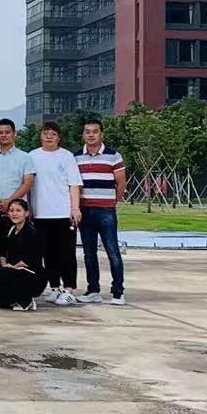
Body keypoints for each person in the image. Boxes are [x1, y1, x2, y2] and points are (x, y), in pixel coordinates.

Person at [29, 121, 83, 307]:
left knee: (66, 253)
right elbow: (29, 185)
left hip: (63, 213)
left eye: (53, 134)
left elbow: (74, 184)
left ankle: (69, 289)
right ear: (41, 136)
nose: (49, 137)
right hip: (41, 213)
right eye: (46, 133)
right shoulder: (32, 156)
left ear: (59, 137)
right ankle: (54, 287)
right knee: (47, 253)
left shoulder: (66, 156)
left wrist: (75, 208)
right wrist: (30, 208)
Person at [75, 117, 127, 306]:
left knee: (112, 251)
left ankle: (118, 292)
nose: (91, 135)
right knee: (89, 253)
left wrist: (112, 202)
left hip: (106, 210)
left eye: (95, 131)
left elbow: (121, 184)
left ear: (101, 134)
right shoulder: (76, 157)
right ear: (83, 135)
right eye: (87, 132)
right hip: (85, 210)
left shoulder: (113, 156)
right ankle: (93, 290)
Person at [0, 118, 35, 252]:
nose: (3, 135)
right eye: (0, 132)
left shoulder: (25, 157)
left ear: (14, 133)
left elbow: (28, 183)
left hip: (17, 212)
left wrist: (9, 202)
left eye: (7, 132)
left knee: (18, 250)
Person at [0, 199, 46, 311]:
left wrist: (12, 268)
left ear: (26, 213)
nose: (14, 213)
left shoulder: (32, 232)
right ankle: (12, 300)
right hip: (13, 270)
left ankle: (26, 301)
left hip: (31, 273)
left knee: (7, 275)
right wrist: (5, 265)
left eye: (18, 210)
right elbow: (2, 251)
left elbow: (29, 259)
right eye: (11, 210)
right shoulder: (10, 230)